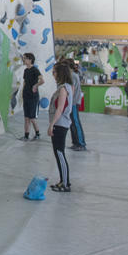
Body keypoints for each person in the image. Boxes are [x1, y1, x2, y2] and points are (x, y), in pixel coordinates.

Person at [47, 62, 74, 192]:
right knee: (58, 153)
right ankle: (62, 181)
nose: (53, 74)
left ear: (60, 74)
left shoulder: (63, 89)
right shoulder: (67, 87)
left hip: (60, 124)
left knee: (60, 153)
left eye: (54, 72)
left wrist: (51, 125)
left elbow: (60, 109)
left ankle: (66, 183)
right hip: (60, 124)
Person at [21, 53, 44, 140]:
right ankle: (26, 136)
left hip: (33, 97)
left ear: (30, 60)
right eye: (23, 58)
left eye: (25, 58)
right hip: (26, 96)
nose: (23, 60)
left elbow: (42, 80)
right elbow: (25, 82)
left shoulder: (35, 70)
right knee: (26, 117)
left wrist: (36, 86)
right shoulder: (25, 71)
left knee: (32, 118)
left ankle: (37, 134)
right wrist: (22, 93)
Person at [67, 59, 87, 150]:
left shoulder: (73, 76)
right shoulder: (70, 75)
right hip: (71, 102)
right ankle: (75, 142)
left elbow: (72, 90)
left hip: (74, 102)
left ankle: (81, 143)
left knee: (75, 122)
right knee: (72, 123)